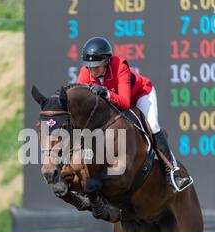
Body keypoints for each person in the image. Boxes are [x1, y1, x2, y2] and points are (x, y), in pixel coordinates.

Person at [76, 36, 192, 193]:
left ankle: (173, 172)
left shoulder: (119, 66)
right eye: (89, 66)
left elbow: (124, 102)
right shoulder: (85, 73)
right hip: (113, 101)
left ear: (107, 61)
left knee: (152, 125)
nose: (92, 70)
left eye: (96, 66)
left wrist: (106, 93)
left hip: (140, 95)